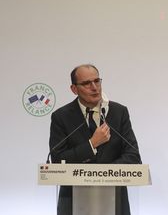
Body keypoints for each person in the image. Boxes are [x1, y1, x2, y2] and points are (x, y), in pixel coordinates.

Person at [49, 64, 141, 215]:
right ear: (74, 89)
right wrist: (92, 144)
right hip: (73, 202)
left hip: (114, 201)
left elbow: (133, 156)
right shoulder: (61, 117)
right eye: (86, 83)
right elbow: (58, 160)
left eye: (97, 81)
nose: (94, 87)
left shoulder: (119, 112)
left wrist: (103, 175)